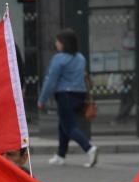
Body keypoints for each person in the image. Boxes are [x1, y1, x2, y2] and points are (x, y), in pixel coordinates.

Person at [38, 28, 98, 168]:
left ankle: (89, 148)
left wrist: (42, 99)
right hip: (79, 95)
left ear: (64, 43)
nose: (56, 44)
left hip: (65, 95)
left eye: (58, 41)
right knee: (63, 124)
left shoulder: (59, 59)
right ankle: (60, 154)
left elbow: (51, 81)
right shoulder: (80, 58)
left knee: (70, 127)